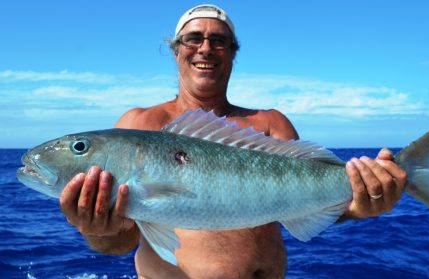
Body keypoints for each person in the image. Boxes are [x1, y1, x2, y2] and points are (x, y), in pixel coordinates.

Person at [59, 4, 407, 279]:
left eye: (219, 40)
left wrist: (360, 205)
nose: (205, 49)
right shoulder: (139, 125)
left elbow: (308, 206)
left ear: (232, 53)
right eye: (193, 38)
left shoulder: (270, 123)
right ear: (176, 50)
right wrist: (96, 230)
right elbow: (120, 241)